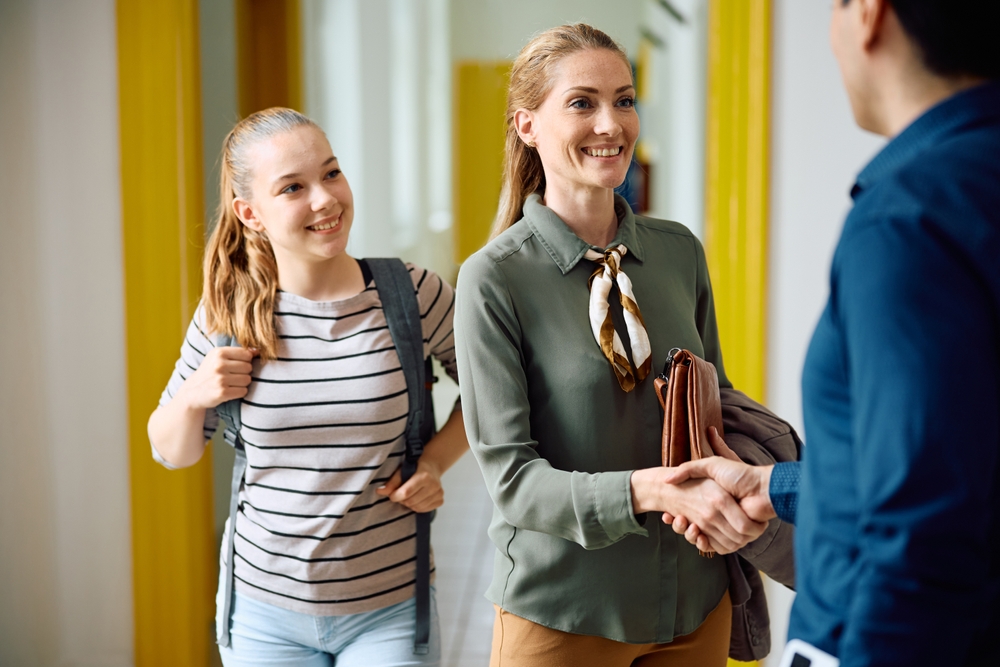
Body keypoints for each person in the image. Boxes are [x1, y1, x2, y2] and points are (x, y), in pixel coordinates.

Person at [662, 1, 1000, 664]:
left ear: (869, 15)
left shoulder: (910, 218)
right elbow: (959, 458)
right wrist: (773, 486)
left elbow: (920, 531)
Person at [454, 23, 781, 667]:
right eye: (582, 103)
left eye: (624, 100)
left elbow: (718, 398)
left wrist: (761, 474)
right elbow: (514, 482)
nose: (612, 124)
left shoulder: (678, 251)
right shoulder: (493, 279)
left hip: (695, 600)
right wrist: (653, 491)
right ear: (526, 126)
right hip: (565, 613)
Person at [147, 107, 468, 667]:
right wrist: (195, 395)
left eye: (331, 173)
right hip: (262, 614)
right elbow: (170, 450)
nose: (325, 199)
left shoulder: (409, 293)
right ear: (251, 213)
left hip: (389, 606)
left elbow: (495, 390)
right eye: (293, 187)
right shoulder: (228, 314)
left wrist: (435, 463)